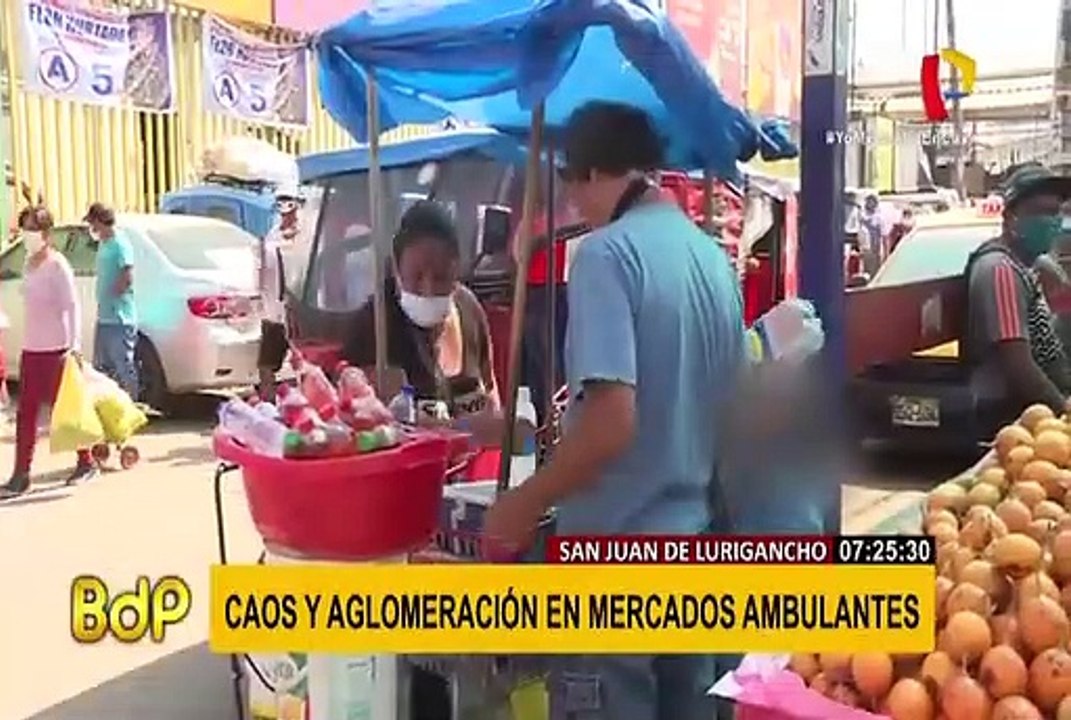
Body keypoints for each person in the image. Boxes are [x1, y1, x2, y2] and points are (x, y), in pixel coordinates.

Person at [483, 102, 745, 719]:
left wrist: (525, 501)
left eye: (573, 188)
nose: (575, 208)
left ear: (596, 173)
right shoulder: (711, 259)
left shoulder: (607, 255)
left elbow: (610, 421)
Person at [341, 199, 501, 424]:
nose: (428, 289)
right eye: (416, 277)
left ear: (456, 268)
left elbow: (490, 390)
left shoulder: (469, 310)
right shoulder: (375, 324)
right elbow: (356, 413)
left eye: (440, 277)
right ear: (397, 269)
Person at [1, 195, 94, 498]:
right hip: (32, 348)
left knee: (64, 411)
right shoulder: (29, 264)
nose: (27, 234)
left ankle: (86, 460)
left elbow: (71, 306)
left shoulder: (58, 266)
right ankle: (21, 474)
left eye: (32, 229)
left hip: (56, 350)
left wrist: (74, 346)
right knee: (26, 413)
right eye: (23, 228)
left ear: (46, 233)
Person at [965, 163, 1071, 417]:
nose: (1053, 221)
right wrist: (1063, 415)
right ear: (1011, 217)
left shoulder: (1030, 266)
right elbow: (1018, 365)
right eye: (1042, 212)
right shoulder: (1000, 269)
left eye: (1057, 212)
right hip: (1007, 413)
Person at [84, 203, 139, 402]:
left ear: (100, 220)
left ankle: (133, 403)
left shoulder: (120, 243)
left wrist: (116, 292)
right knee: (101, 367)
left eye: (93, 222)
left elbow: (127, 273)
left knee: (123, 364)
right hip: (104, 316)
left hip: (119, 317)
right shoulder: (104, 243)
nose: (92, 227)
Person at [257, 185, 303, 402]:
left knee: (304, 362)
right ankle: (268, 407)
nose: (285, 209)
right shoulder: (272, 235)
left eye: (289, 202)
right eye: (280, 202)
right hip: (273, 309)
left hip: (299, 308)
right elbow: (264, 269)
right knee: (266, 364)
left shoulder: (306, 233)